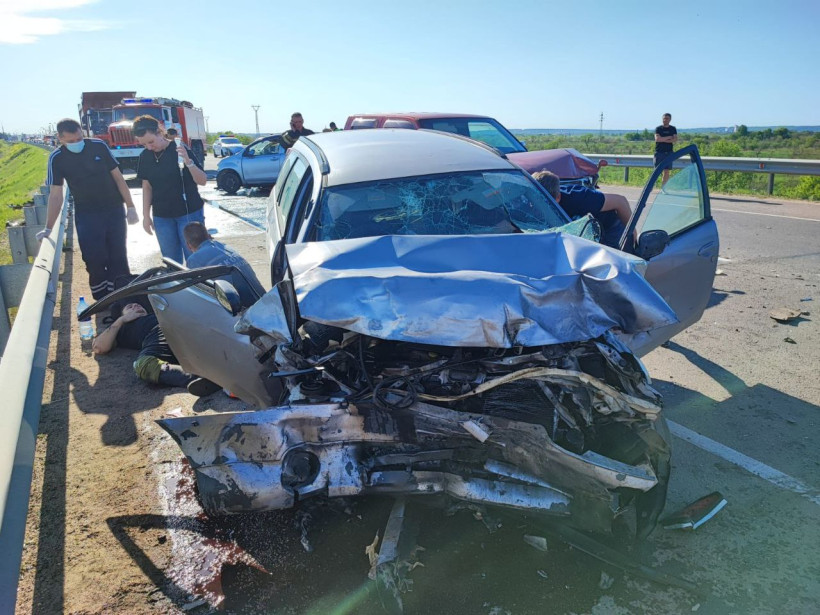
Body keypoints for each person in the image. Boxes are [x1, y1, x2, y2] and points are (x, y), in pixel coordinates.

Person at [42, 118, 139, 299]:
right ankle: (102, 297)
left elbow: (118, 178)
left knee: (118, 254)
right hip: (87, 214)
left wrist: (131, 206)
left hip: (114, 209)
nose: (77, 143)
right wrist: (48, 227)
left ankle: (121, 295)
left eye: (79, 138)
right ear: (60, 138)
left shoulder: (98, 146)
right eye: (71, 141)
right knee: (94, 256)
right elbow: (55, 195)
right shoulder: (57, 158)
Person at [92, 298, 219, 396]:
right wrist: (121, 320)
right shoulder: (121, 328)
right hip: (160, 338)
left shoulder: (155, 315)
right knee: (144, 365)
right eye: (130, 307)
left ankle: (216, 375)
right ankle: (202, 379)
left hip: (179, 328)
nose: (136, 306)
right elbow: (99, 347)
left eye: (138, 305)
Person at [133, 115, 208, 264]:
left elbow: (203, 181)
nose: (149, 147)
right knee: (171, 261)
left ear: (159, 133)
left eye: (151, 142)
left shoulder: (179, 149)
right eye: (143, 144)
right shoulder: (145, 157)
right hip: (162, 217)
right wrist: (146, 216)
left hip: (188, 214)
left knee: (195, 258)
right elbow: (147, 187)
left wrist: (188, 161)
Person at [533, 170, 632, 249]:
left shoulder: (580, 198)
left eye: (544, 204)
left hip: (609, 230)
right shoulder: (529, 200)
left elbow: (620, 201)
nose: (539, 207)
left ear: (558, 197)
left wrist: (631, 233)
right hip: (580, 234)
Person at [183, 222, 266, 307]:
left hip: (244, 309)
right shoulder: (224, 247)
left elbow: (198, 294)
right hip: (264, 299)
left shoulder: (193, 260)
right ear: (209, 236)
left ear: (188, 246)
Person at [654, 113, 678, 187]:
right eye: (664, 118)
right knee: (656, 171)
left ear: (670, 119)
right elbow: (657, 139)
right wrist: (669, 137)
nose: (665, 120)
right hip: (659, 152)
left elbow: (675, 139)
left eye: (667, 118)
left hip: (669, 153)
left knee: (666, 171)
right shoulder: (658, 128)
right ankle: (650, 187)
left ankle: (663, 188)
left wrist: (663, 139)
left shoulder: (673, 129)